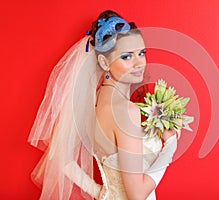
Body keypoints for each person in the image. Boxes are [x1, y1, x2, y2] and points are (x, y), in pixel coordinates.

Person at [28, 10, 178, 200]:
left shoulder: (94, 100)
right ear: (104, 62)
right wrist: (170, 146)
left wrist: (100, 192)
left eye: (141, 53)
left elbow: (61, 157)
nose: (139, 63)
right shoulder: (125, 110)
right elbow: (137, 195)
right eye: (126, 56)